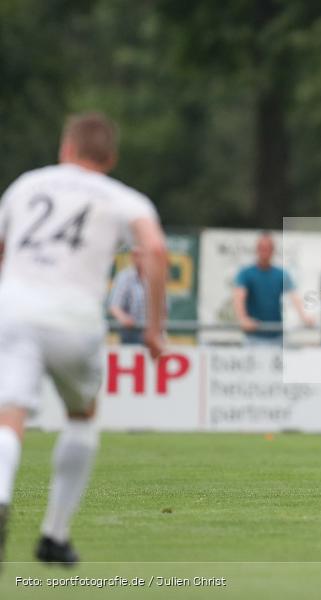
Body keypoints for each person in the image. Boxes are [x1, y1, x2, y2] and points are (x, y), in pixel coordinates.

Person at [0, 112, 168, 566]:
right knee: (82, 415)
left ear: (66, 148)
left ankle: (1, 494)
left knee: (9, 416)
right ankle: (54, 535)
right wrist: (154, 330)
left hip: (14, 310)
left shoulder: (26, 185)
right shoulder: (123, 198)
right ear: (110, 158)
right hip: (74, 318)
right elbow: (154, 249)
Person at [232, 233, 315, 345]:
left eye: (268, 249)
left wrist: (304, 317)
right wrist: (243, 319)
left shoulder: (280, 274)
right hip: (253, 337)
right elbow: (239, 297)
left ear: (273, 251)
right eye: (262, 248)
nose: (264, 252)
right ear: (257, 250)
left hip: (276, 336)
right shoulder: (246, 273)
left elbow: (294, 296)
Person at [108, 248, 153, 344]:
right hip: (131, 334)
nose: (138, 258)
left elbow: (163, 308)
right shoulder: (125, 277)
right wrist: (124, 319)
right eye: (135, 255)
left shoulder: (154, 276)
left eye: (142, 255)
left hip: (152, 332)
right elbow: (114, 306)